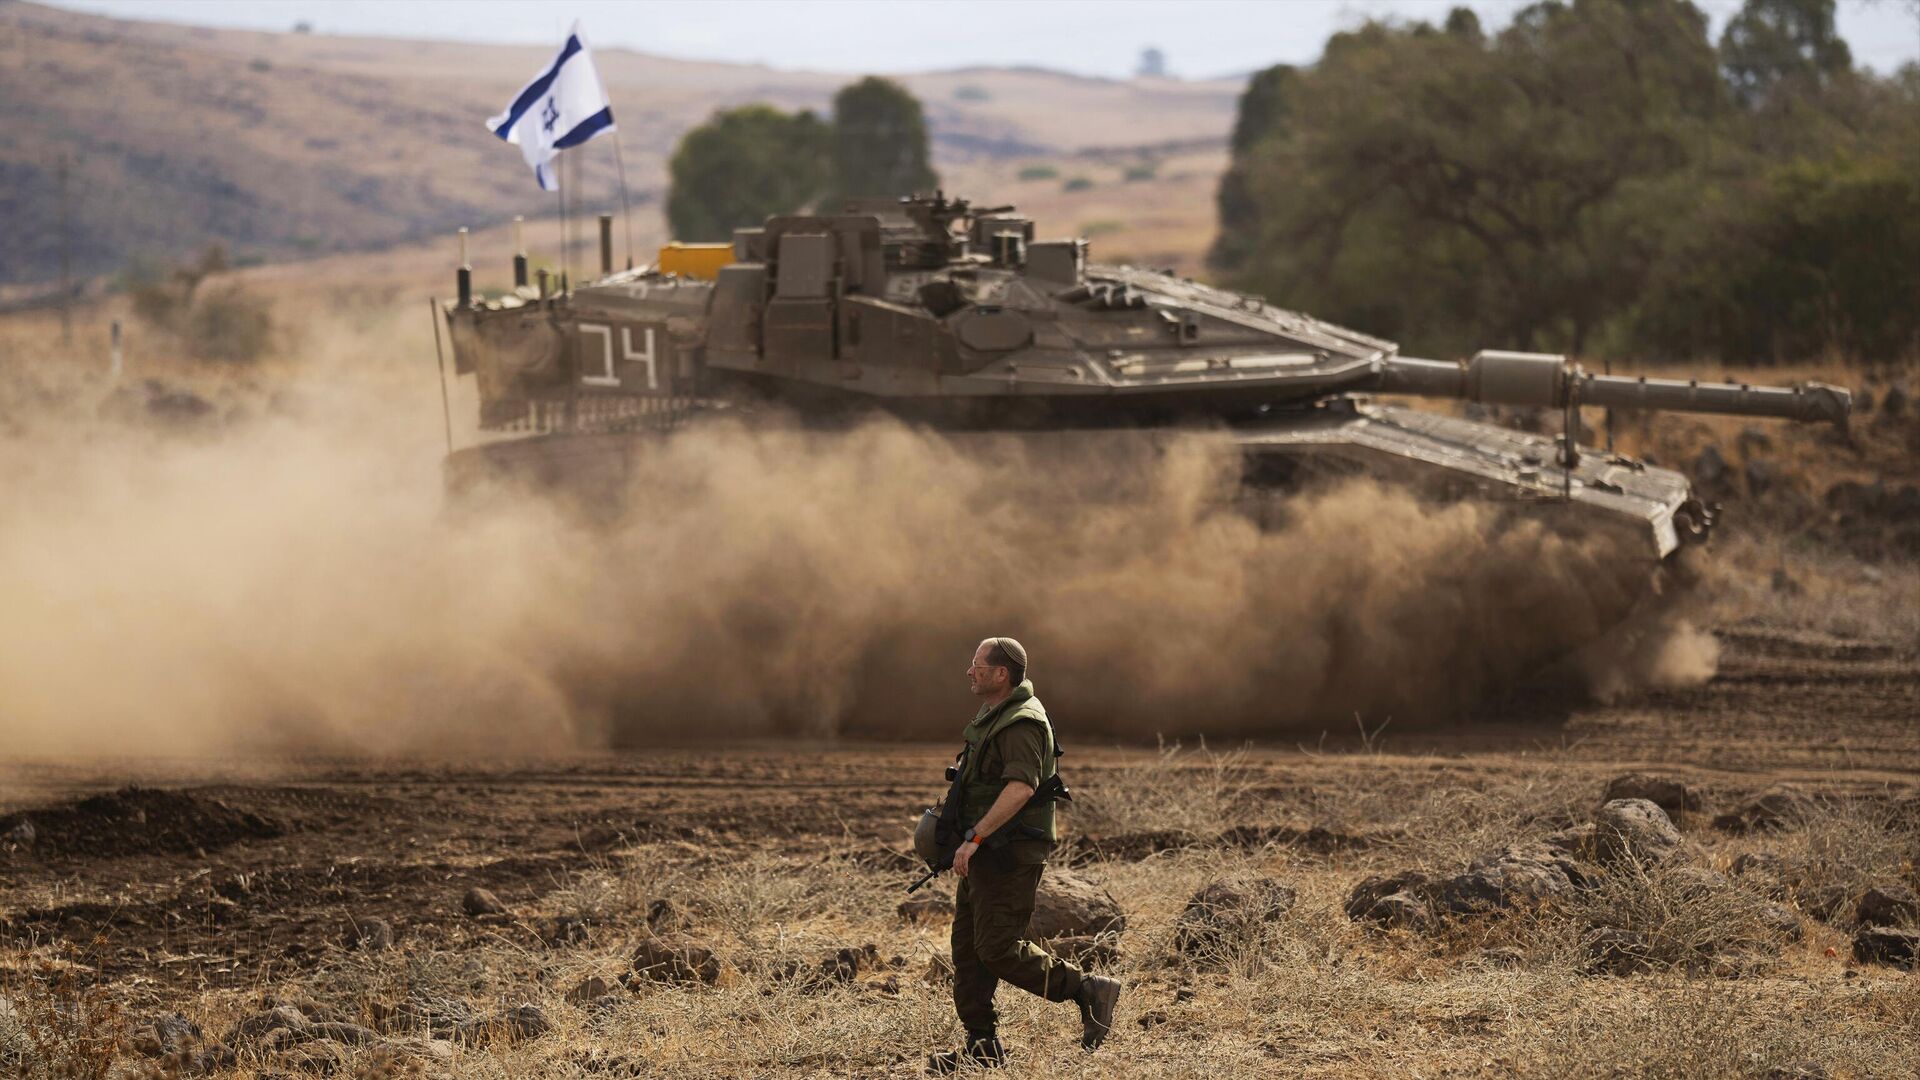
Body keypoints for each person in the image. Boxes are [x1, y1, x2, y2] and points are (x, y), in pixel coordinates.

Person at [929, 636, 1121, 1074]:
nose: (969, 671)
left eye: (977, 665)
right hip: (985, 851)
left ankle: (1087, 988)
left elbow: (1021, 788)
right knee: (968, 950)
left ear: (1001, 674)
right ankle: (982, 1045)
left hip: (1008, 852)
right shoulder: (994, 716)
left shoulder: (1021, 722)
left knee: (997, 948)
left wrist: (975, 837)